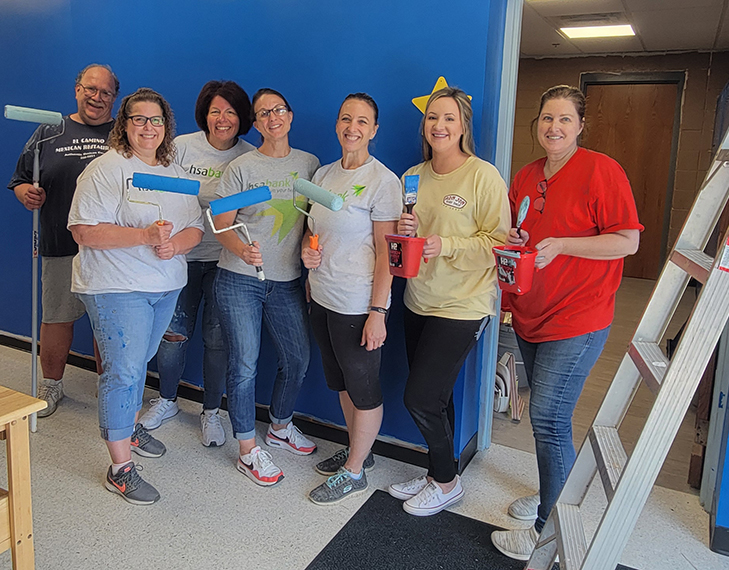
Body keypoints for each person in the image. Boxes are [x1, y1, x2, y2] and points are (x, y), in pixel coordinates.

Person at [490, 85, 642, 560]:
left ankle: (546, 534)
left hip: (579, 316)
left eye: (564, 120)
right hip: (532, 313)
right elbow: (524, 234)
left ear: (580, 126)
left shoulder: (602, 170)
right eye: (546, 119)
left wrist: (563, 244)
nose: (553, 128)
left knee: (549, 417)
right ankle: (551, 493)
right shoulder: (528, 174)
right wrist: (517, 239)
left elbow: (626, 242)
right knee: (549, 423)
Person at [68, 88, 204, 505]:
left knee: (138, 363)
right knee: (124, 372)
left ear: (167, 127)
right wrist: (143, 237)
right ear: (124, 125)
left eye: (156, 120)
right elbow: (84, 230)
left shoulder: (175, 170)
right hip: (115, 286)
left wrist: (174, 245)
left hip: (164, 285)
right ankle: (120, 469)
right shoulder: (106, 169)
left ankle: (127, 424)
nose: (149, 127)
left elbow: (195, 228)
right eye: (139, 119)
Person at [387, 87, 510, 516]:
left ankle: (445, 482)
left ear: (463, 127)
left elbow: (498, 243)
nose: (439, 126)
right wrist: (406, 233)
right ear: (424, 125)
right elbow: (405, 243)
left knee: (419, 397)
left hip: (463, 305)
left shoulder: (483, 175)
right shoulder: (412, 175)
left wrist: (447, 244)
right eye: (433, 118)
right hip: (418, 299)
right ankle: (439, 471)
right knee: (437, 397)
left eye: (449, 119)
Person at [213, 88, 319, 486]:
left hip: (288, 281)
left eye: (278, 110)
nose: (272, 118)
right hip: (239, 280)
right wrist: (242, 248)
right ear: (255, 124)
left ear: (290, 116)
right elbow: (220, 222)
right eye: (262, 114)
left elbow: (314, 221)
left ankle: (278, 427)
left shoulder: (309, 165)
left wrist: (312, 251)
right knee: (244, 365)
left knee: (298, 360)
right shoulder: (242, 168)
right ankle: (246, 449)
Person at [140, 81, 255, 447]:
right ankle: (168, 399)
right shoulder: (181, 148)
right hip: (182, 257)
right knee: (173, 336)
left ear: (242, 117)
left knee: (217, 340)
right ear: (204, 114)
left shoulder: (250, 156)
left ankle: (210, 412)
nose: (223, 119)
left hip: (226, 261)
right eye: (215, 111)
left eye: (231, 112)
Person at [302, 93, 401, 505]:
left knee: (363, 388)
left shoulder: (384, 181)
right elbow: (316, 230)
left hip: (358, 304)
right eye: (346, 119)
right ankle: (360, 451)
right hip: (323, 299)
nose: (352, 127)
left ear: (374, 130)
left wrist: (377, 312)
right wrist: (311, 255)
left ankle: (355, 471)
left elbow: (386, 254)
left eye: (362, 121)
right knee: (341, 382)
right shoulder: (323, 175)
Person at [8, 63, 119, 416]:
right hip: (59, 244)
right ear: (77, 89)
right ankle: (51, 386)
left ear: (114, 99)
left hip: (112, 250)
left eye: (105, 92)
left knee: (109, 326)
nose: (96, 97)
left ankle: (110, 392)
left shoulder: (124, 135)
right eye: (90, 89)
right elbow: (20, 179)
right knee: (56, 319)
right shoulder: (48, 131)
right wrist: (26, 193)